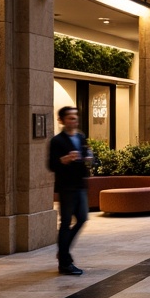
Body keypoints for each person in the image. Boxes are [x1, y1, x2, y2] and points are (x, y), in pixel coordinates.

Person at [48, 105, 92, 276]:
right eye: (70, 118)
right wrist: (65, 159)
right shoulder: (57, 141)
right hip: (66, 187)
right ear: (62, 120)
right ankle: (64, 262)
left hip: (80, 185)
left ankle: (63, 251)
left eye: (75, 117)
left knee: (82, 218)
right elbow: (51, 165)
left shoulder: (81, 137)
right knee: (66, 222)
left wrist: (89, 159)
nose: (74, 120)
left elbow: (87, 156)